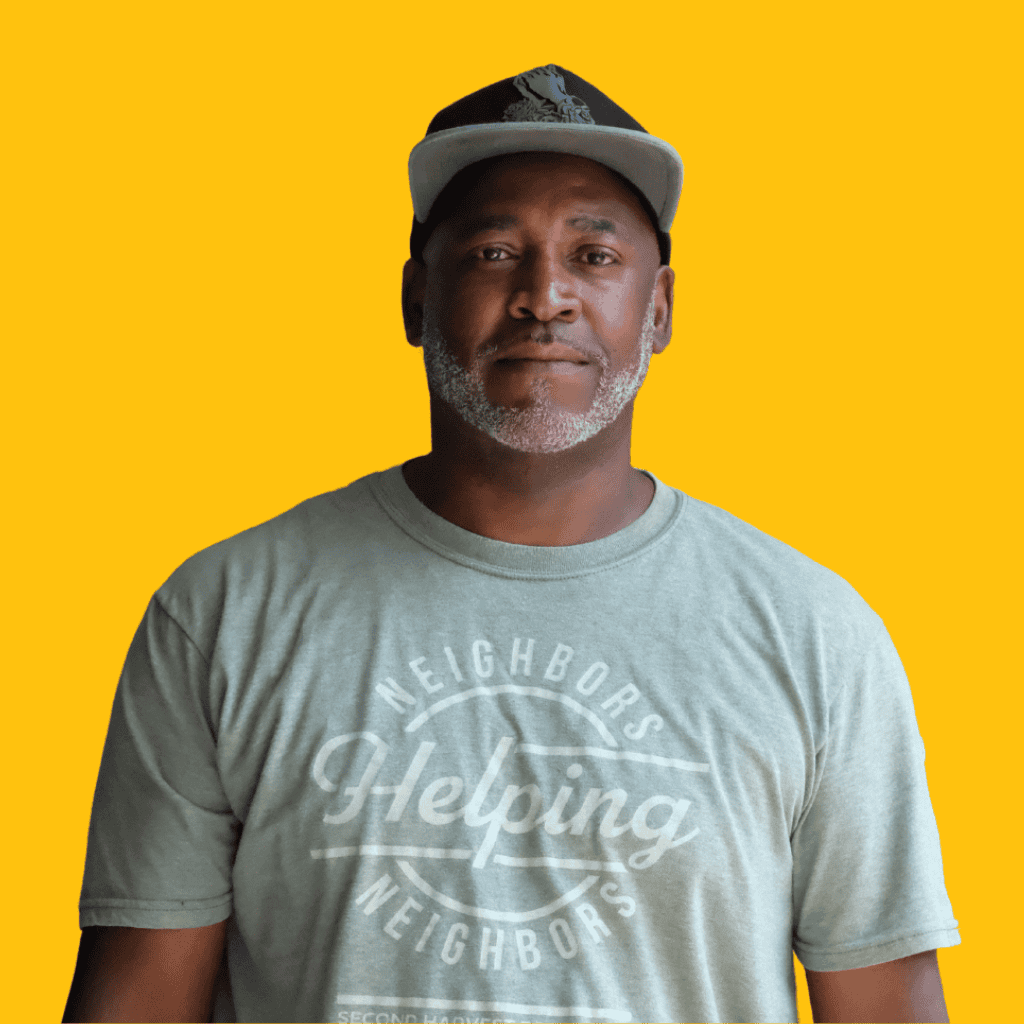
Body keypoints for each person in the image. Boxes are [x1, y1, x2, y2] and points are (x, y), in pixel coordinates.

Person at [64, 65, 959, 1023]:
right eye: (494, 253)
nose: (545, 296)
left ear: (658, 309)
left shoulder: (814, 635)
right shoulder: (225, 616)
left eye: (594, 256)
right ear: (414, 300)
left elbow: (885, 1004)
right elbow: (138, 1003)